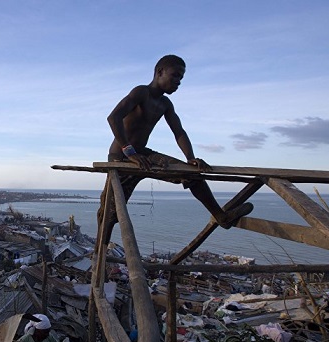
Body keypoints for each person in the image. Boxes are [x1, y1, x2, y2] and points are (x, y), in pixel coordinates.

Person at [98, 54, 253, 246]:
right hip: (121, 158)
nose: (178, 82)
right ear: (160, 72)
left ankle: (221, 216)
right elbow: (113, 118)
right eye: (175, 75)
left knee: (191, 174)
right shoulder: (141, 93)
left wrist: (190, 158)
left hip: (143, 155)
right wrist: (130, 152)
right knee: (109, 211)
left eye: (181, 78)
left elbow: (179, 131)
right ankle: (100, 250)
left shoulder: (165, 104)